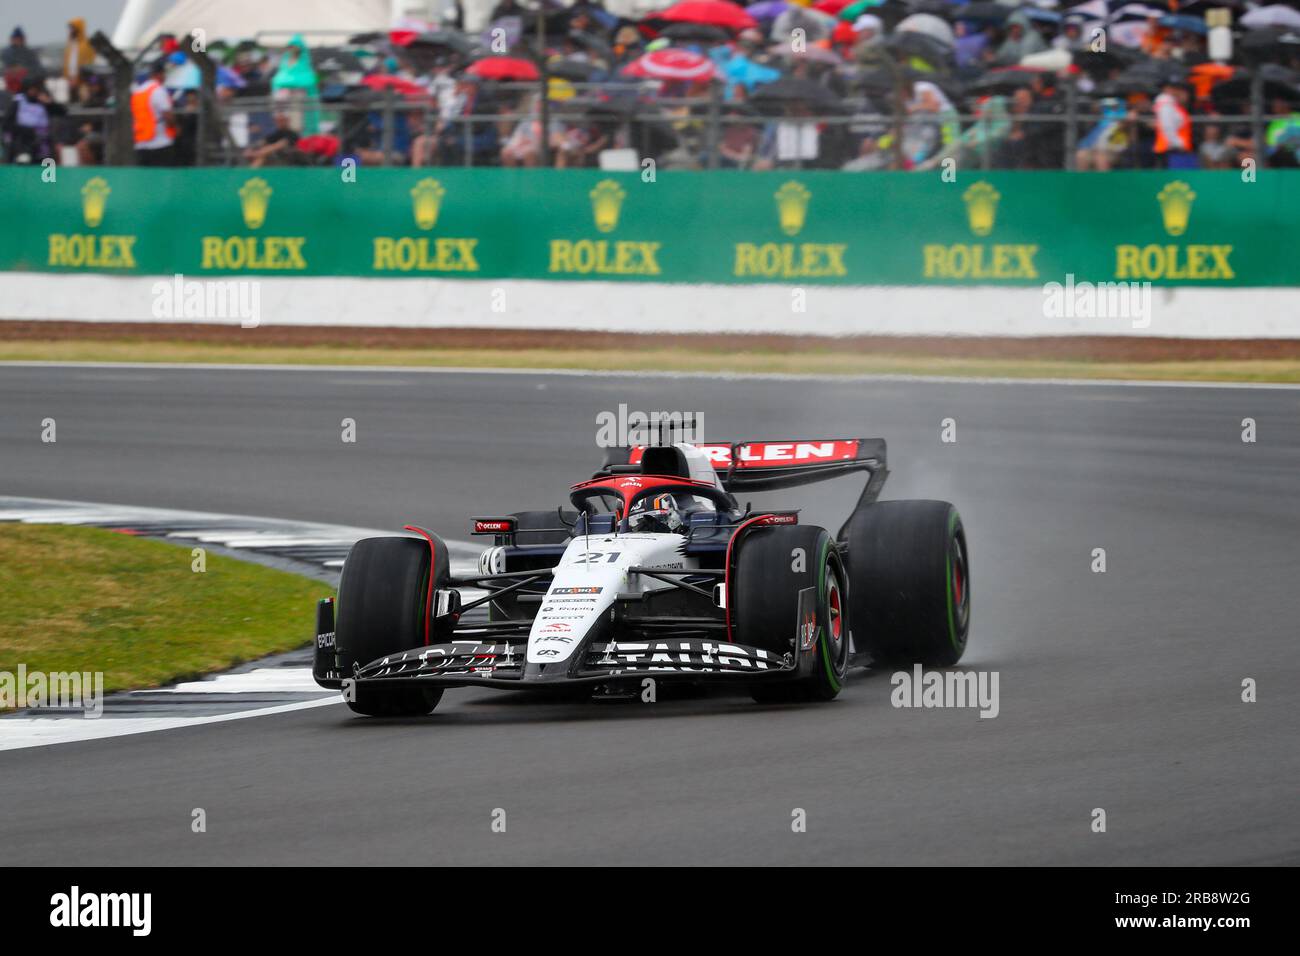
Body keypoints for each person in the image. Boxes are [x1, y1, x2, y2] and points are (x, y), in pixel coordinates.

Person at [3, 75, 63, 163]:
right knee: (23, 157)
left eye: (36, 89)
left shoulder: (43, 101)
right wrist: (26, 130)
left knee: (45, 158)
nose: (34, 92)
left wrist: (50, 103)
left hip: (43, 138)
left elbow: (62, 112)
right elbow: (7, 124)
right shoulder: (18, 101)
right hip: (23, 138)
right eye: (31, 89)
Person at [131, 59, 175, 166]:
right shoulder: (158, 90)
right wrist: (176, 127)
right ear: (159, 74)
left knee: (146, 180)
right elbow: (168, 116)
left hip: (141, 143)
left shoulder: (138, 92)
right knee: (163, 179)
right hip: (160, 143)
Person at [1152, 79, 1194, 169]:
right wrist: (1178, 143)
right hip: (1170, 149)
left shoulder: (1173, 104)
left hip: (1172, 149)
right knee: (1172, 181)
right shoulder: (1166, 103)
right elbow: (1167, 126)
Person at [63, 18, 96, 96]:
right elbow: (67, 63)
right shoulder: (70, 44)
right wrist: (68, 78)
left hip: (83, 82)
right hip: (69, 81)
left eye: (73, 28)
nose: (71, 30)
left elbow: (89, 64)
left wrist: (78, 79)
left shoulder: (87, 45)